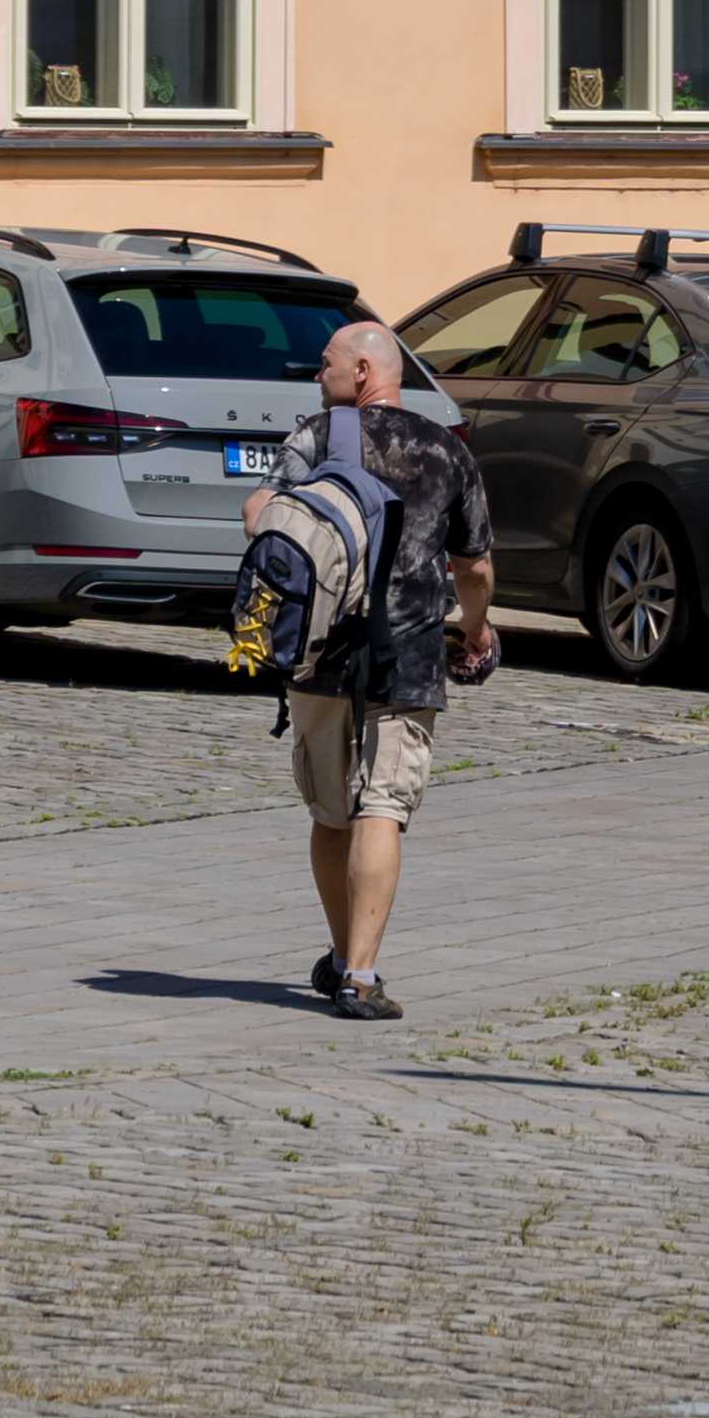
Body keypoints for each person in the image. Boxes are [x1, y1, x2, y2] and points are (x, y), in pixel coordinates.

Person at [247, 313, 494, 1023]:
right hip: (408, 653)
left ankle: (337, 951)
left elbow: (259, 512)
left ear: (363, 371)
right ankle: (359, 974)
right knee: (380, 806)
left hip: (318, 648)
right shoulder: (446, 450)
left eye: (326, 362)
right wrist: (474, 631)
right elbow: (474, 565)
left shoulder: (318, 437)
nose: (316, 374)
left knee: (332, 812)